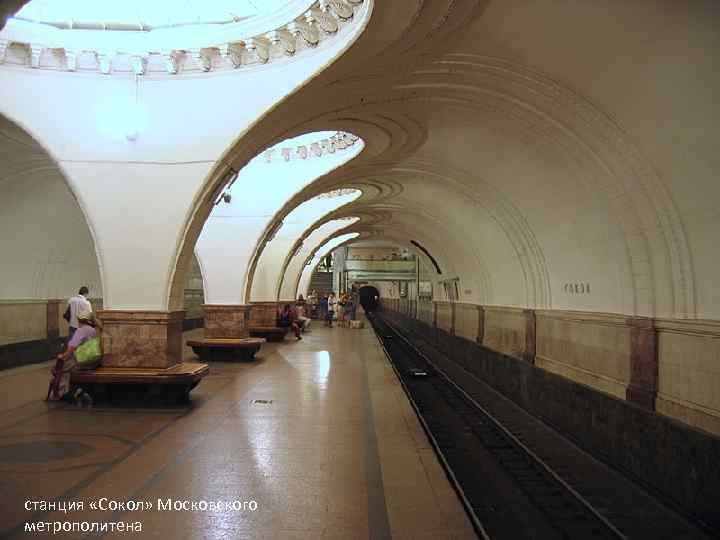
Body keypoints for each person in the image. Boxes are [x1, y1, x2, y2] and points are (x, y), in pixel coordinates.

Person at [48, 311, 98, 406]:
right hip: (93, 361)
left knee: (58, 368)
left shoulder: (81, 330)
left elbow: (72, 347)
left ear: (79, 320)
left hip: (82, 361)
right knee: (67, 366)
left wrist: (63, 356)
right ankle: (71, 389)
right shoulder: (93, 330)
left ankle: (62, 392)